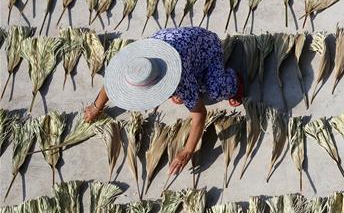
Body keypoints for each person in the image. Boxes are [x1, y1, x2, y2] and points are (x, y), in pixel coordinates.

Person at [84, 27, 244, 174]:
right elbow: (111, 83)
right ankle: (194, 81)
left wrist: (187, 151)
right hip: (178, 43)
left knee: (216, 90)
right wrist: (96, 107)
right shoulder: (134, 65)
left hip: (207, 46)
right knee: (187, 91)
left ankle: (235, 81)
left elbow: (200, 115)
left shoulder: (179, 79)